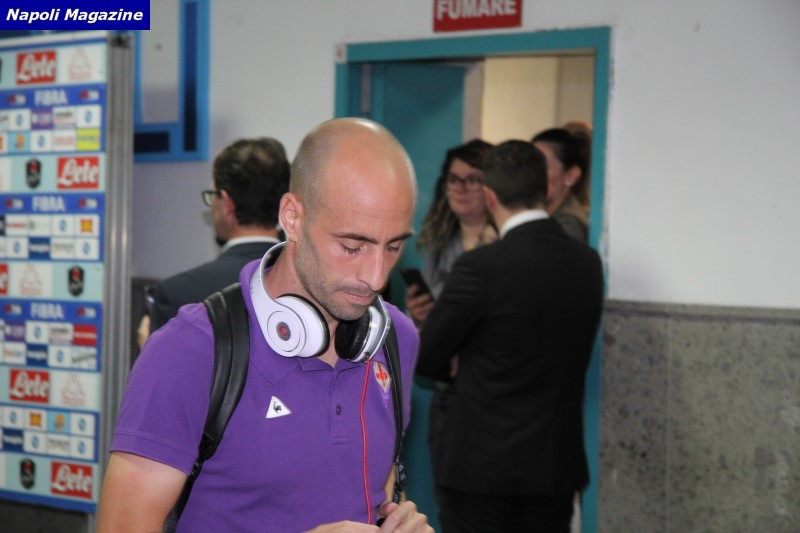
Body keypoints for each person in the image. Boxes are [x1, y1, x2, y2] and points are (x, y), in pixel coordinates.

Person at [97, 118, 433, 533]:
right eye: (352, 246)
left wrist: (395, 520)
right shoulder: (188, 350)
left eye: (394, 246)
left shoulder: (396, 338)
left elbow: (375, 489)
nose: (376, 277)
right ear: (292, 217)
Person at [416, 140, 604, 533]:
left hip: (483, 466)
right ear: (545, 189)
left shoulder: (481, 266)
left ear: (489, 196)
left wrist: (460, 361)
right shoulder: (587, 263)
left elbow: (428, 355)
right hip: (553, 464)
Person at [403, 139, 496, 521]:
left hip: (490, 396)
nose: (460, 188)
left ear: (492, 187)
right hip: (447, 394)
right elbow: (431, 326)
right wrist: (419, 315)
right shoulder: (439, 244)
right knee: (452, 504)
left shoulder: (504, 247)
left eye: (472, 179)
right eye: (453, 179)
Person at [149, 137, 290, 333]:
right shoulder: (310, 281)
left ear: (226, 202)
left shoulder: (178, 294)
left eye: (212, 195)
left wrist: (148, 344)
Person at [530, 127, 592, 243]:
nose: (530, 174)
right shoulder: (551, 220)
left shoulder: (567, 225)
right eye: (528, 166)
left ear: (570, 176)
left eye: (541, 168)